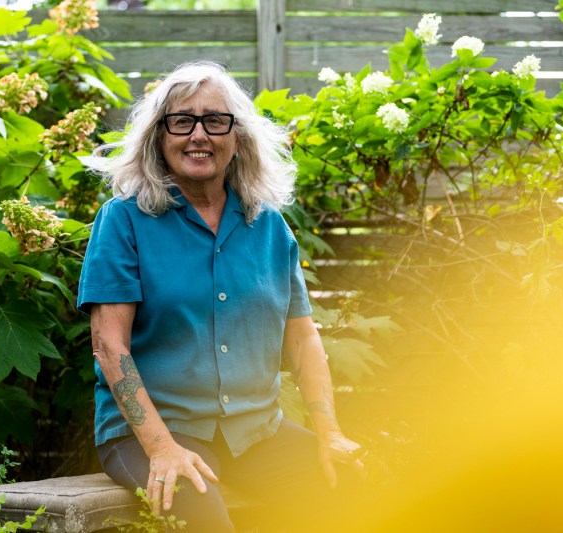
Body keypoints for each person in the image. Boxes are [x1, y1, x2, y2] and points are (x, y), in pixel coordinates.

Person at [77, 60, 365, 532]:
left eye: (215, 120)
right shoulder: (123, 220)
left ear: (238, 137)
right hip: (151, 433)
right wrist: (163, 448)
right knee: (204, 516)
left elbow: (302, 338)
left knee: (347, 490)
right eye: (181, 121)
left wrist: (329, 432)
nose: (198, 135)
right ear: (159, 136)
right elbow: (110, 345)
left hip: (254, 434)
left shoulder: (268, 226)